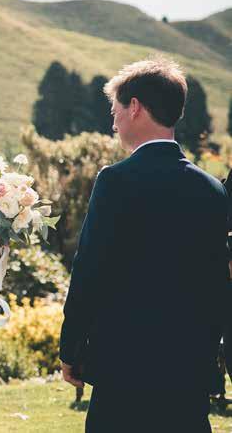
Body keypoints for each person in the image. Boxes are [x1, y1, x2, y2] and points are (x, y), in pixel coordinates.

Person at [59, 58, 228, 432]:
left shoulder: (115, 181)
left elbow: (89, 270)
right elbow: (217, 286)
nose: (114, 122)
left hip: (124, 371)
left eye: (115, 111)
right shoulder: (212, 190)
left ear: (134, 107)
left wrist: (70, 349)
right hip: (188, 373)